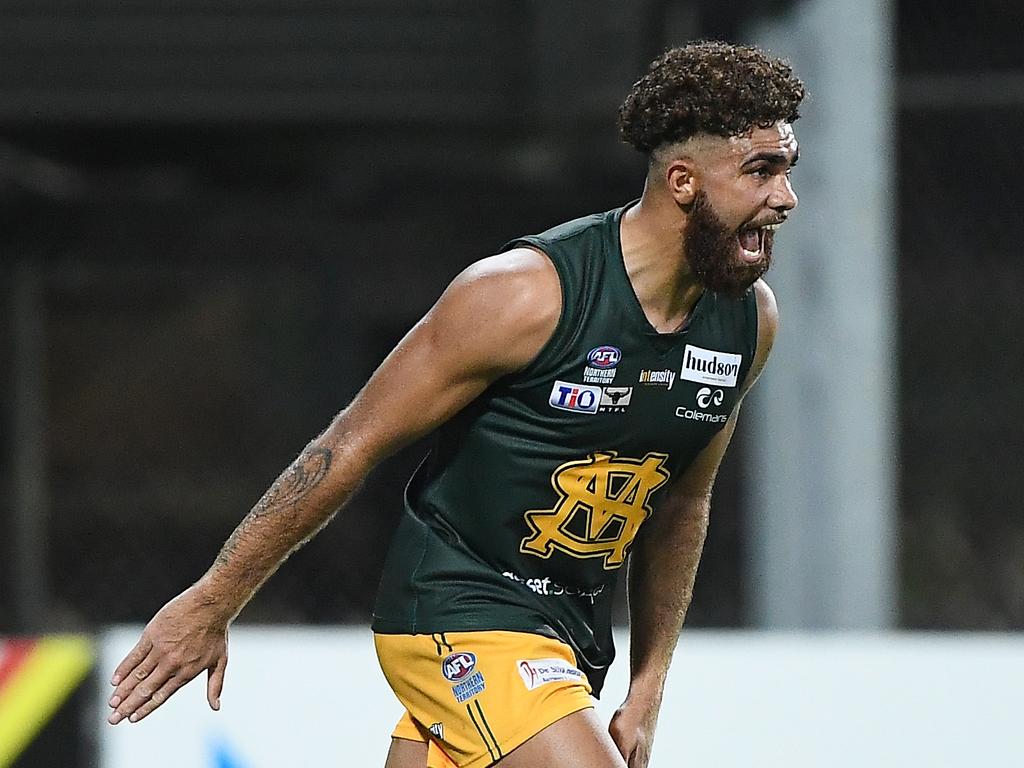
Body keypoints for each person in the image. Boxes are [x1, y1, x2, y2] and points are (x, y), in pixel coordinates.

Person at [107, 40, 804, 768]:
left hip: (567, 634)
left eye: (787, 169)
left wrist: (650, 680)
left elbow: (683, 503)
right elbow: (350, 443)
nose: (784, 197)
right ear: (684, 181)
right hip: (455, 609)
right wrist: (215, 598)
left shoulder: (748, 322)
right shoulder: (526, 294)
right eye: (761, 171)